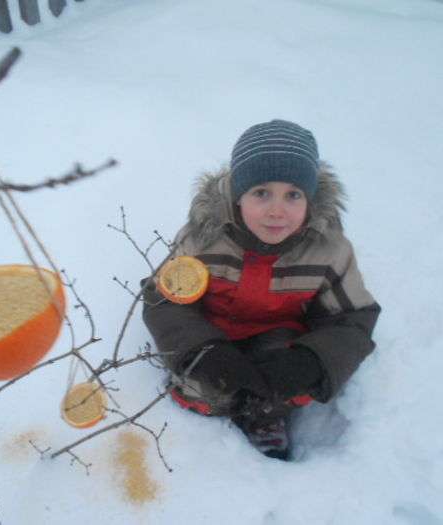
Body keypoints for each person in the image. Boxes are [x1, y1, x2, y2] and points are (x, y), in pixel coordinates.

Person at [142, 119, 381, 460]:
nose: (277, 210)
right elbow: (164, 299)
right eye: (261, 193)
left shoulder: (329, 250)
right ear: (239, 196)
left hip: (278, 338)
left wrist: (310, 362)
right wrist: (202, 351)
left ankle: (266, 416)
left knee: (289, 386)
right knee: (201, 388)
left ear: (310, 199)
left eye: (293, 195)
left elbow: (352, 316)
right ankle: (215, 420)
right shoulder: (203, 238)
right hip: (213, 333)